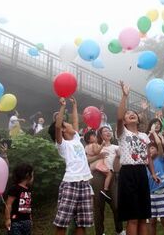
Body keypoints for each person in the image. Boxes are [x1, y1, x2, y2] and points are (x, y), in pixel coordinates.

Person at [116, 81, 159, 235]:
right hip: (128, 173)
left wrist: (153, 173)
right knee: (133, 217)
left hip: (142, 173)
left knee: (143, 217)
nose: (130, 114)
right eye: (128, 114)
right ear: (126, 121)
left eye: (133, 113)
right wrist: (124, 96)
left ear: (138, 119)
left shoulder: (144, 136)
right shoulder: (122, 133)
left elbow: (147, 157)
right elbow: (119, 117)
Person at [48, 97, 93, 235]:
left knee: (82, 223)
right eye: (67, 124)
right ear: (62, 130)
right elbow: (57, 126)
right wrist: (62, 107)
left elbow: (75, 121)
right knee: (62, 223)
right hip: (70, 183)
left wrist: (74, 106)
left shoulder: (76, 139)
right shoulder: (62, 145)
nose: (73, 126)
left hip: (84, 183)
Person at [85, 127, 125, 235]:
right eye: (105, 131)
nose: (108, 132)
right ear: (100, 135)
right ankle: (100, 233)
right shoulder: (97, 146)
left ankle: (119, 230)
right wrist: (99, 155)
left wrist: (117, 157)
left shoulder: (116, 147)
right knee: (98, 206)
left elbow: (118, 167)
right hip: (98, 176)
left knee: (116, 205)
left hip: (112, 175)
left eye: (110, 131)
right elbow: (86, 160)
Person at [147, 129, 164, 235]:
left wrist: (153, 133)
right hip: (150, 195)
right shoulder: (146, 164)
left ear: (157, 151)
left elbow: (158, 144)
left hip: (160, 192)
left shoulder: (160, 159)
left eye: (152, 148)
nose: (150, 150)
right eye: (148, 149)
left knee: (163, 219)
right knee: (152, 221)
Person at [84, 130, 113, 202]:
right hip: (98, 164)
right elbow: (97, 152)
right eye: (93, 136)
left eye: (95, 136)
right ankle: (105, 189)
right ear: (89, 139)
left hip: (92, 166)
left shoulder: (86, 147)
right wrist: (102, 145)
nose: (95, 137)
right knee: (109, 174)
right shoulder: (94, 145)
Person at [5, 164, 34, 235]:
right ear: (27, 175)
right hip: (16, 222)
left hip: (27, 221)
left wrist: (30, 218)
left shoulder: (28, 190)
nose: (33, 177)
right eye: (32, 174)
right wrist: (8, 219)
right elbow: (9, 204)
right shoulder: (14, 189)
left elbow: (28, 206)